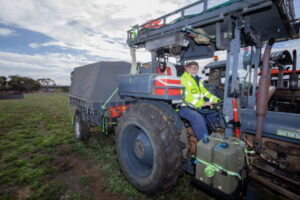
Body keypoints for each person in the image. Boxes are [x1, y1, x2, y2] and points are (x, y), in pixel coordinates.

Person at [178, 61, 220, 141]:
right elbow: (186, 97)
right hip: (184, 107)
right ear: (186, 69)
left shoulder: (198, 80)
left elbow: (206, 93)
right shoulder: (182, 79)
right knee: (197, 118)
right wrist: (202, 104)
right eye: (191, 67)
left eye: (196, 67)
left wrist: (217, 100)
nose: (194, 69)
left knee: (213, 113)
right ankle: (204, 144)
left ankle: (213, 135)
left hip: (197, 106)